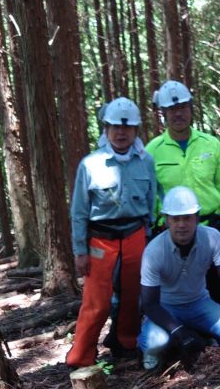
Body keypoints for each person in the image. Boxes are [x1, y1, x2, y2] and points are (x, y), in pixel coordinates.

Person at [66, 98, 156, 367]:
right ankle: (81, 356)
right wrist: (79, 250)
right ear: (106, 128)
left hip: (134, 234)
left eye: (127, 128)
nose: (121, 132)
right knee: (97, 301)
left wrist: (148, 236)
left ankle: (125, 342)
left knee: (132, 296)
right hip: (100, 238)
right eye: (115, 126)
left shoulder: (145, 161)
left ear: (136, 130)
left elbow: (150, 201)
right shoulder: (90, 165)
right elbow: (79, 211)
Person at [138, 187, 220, 370]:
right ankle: (170, 340)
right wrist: (178, 331)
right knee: (155, 343)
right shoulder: (154, 251)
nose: (181, 224)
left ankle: (196, 334)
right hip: (166, 309)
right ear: (167, 220)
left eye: (187, 218)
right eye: (176, 219)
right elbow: (150, 304)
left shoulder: (212, 237)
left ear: (197, 217)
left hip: (200, 303)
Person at [146, 80, 220, 305]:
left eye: (183, 108)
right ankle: (176, 330)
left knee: (217, 283)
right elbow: (148, 194)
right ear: (163, 113)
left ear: (191, 109)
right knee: (173, 285)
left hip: (209, 225)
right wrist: (150, 226)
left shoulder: (211, 144)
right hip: (170, 230)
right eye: (172, 109)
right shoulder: (152, 151)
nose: (179, 114)